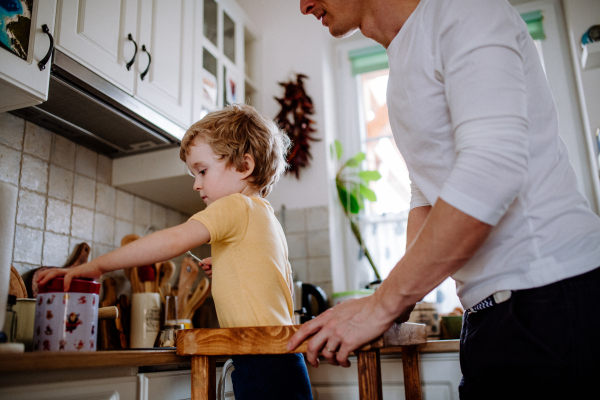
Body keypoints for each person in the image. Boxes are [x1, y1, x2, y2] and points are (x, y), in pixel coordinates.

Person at [289, 0, 600, 397]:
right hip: (489, 316)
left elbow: (491, 170)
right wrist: (399, 305)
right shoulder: (400, 65)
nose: (302, 6)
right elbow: (426, 192)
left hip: (549, 299)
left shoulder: (464, 9)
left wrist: (381, 305)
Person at [38, 104, 313, 400]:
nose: (196, 185)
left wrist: (97, 267)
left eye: (202, 171)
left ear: (245, 166)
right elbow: (270, 281)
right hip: (279, 357)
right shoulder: (263, 215)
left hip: (264, 360)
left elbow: (172, 241)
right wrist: (227, 267)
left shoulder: (235, 205)